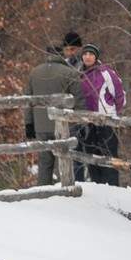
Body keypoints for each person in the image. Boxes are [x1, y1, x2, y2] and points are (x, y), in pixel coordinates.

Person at [24, 45, 84, 185]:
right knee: (66, 161)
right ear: (62, 55)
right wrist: (81, 123)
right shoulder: (70, 73)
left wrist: (29, 124)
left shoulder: (34, 73)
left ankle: (43, 192)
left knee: (45, 164)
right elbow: (80, 101)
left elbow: (28, 101)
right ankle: (67, 190)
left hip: (40, 126)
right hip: (64, 126)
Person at [76, 43, 126, 186]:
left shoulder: (106, 72)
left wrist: (113, 112)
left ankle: (113, 187)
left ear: (96, 57)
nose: (87, 57)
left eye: (91, 54)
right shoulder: (79, 75)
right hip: (88, 121)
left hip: (106, 121)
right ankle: (98, 186)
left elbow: (120, 94)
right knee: (92, 155)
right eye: (85, 54)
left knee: (109, 155)